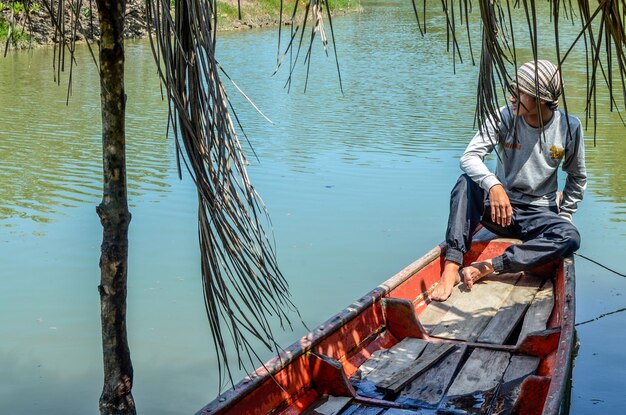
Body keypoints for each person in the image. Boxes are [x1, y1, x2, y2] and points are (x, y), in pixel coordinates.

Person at [431, 59, 587, 302]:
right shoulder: (503, 116)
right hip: (499, 211)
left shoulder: (569, 126)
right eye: (513, 89)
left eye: (520, 92)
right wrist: (493, 185)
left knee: (570, 236)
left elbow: (577, 177)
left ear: (542, 98)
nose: (512, 97)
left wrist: (564, 215)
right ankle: (452, 265)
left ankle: (491, 266)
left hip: (539, 213)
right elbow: (469, 156)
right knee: (466, 183)